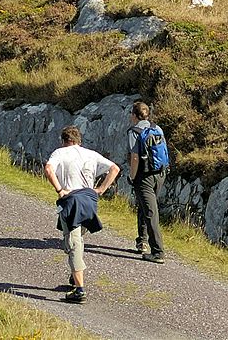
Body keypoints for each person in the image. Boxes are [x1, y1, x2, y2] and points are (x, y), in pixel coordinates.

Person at [44, 126, 120, 303]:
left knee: (72, 243)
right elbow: (114, 169)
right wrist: (100, 189)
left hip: (72, 199)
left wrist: (60, 189)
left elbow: (48, 169)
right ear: (78, 141)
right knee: (78, 238)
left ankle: (79, 289)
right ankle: (75, 274)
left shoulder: (60, 153)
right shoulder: (91, 154)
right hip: (89, 199)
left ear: (65, 141)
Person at [127, 101, 168, 264]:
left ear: (135, 116)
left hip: (144, 176)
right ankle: (142, 240)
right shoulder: (157, 128)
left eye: (132, 114)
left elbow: (134, 157)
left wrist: (132, 176)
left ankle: (157, 252)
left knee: (151, 212)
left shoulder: (134, 131)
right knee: (146, 207)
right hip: (160, 174)